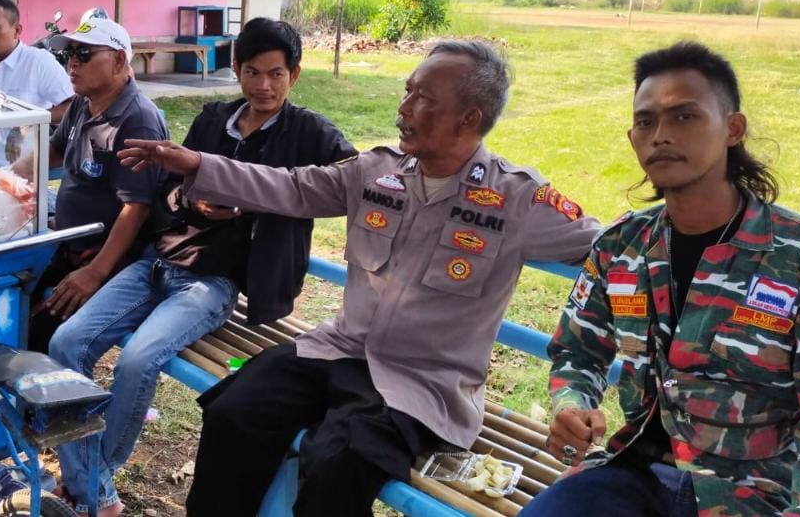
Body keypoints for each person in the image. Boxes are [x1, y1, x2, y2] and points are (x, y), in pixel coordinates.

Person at [119, 39, 602, 517]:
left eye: (423, 98)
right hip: (340, 350)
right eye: (407, 91)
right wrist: (198, 164)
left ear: (469, 118)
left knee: (336, 462)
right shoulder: (377, 169)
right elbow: (291, 187)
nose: (404, 106)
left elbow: (614, 246)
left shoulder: (517, 199)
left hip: (425, 383)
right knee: (234, 410)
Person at [524, 42, 800, 517]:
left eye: (684, 117)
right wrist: (571, 402)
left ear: (732, 129)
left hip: (754, 495)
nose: (661, 135)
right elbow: (577, 351)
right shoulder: (623, 246)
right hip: (632, 474)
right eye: (646, 122)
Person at [49, 19, 356, 516]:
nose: (264, 86)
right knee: (66, 342)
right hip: (159, 260)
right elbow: (170, 189)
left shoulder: (309, 132)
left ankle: (89, 486)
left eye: (276, 74)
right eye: (253, 72)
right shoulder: (214, 119)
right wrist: (194, 197)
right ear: (235, 70)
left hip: (215, 282)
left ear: (294, 76)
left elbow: (354, 177)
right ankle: (98, 493)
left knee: (136, 360)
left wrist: (273, 195)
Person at [27, 17, 168, 353]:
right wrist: (4, 179)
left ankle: (48, 404)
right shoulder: (82, 101)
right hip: (68, 243)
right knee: (12, 293)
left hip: (108, 257)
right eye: (69, 55)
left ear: (119, 60)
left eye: (85, 54)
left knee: (41, 333)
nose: (73, 63)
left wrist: (95, 272)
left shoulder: (138, 121)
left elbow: (136, 208)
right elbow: (55, 151)